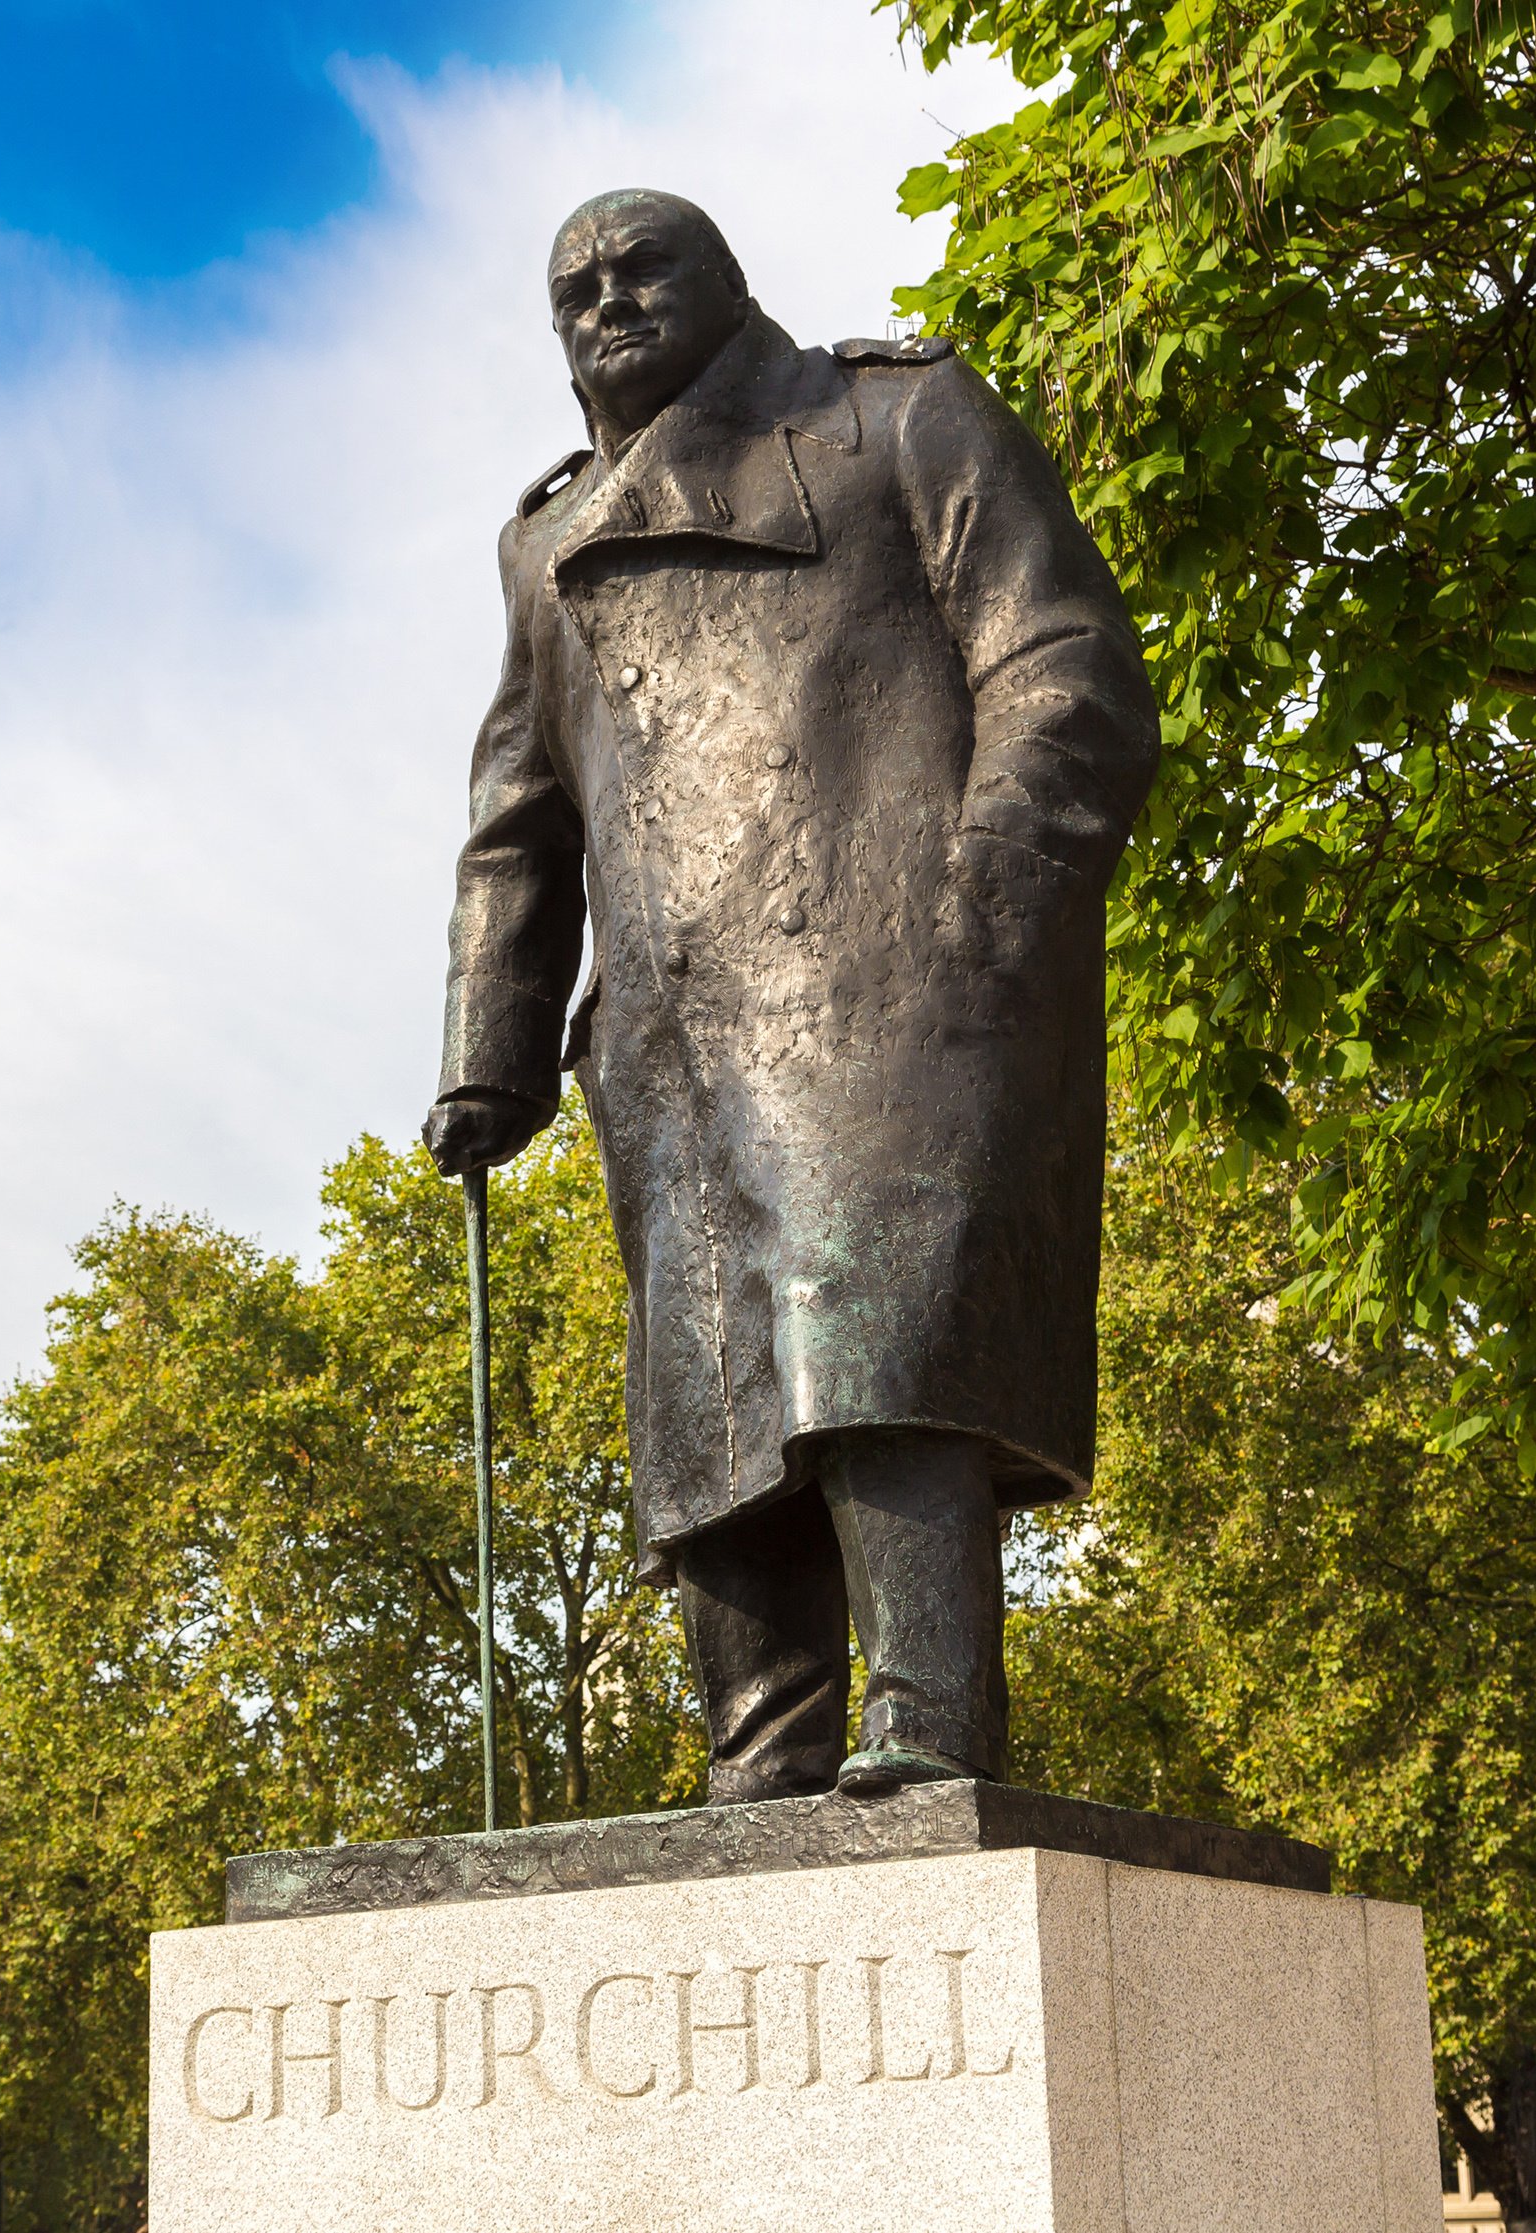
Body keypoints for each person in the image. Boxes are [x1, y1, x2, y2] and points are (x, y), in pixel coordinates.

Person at [423, 188, 1158, 1801]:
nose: (610, 306)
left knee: (874, 1350)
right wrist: (493, 1048)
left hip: (897, 982)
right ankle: (760, 1758)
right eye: (577, 293)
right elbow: (518, 815)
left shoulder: (896, 421)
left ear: (727, 282)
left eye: (644, 271)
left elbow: (1065, 673)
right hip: (676, 1032)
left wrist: (987, 903)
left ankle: (924, 1726)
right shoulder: (545, 546)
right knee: (713, 1405)